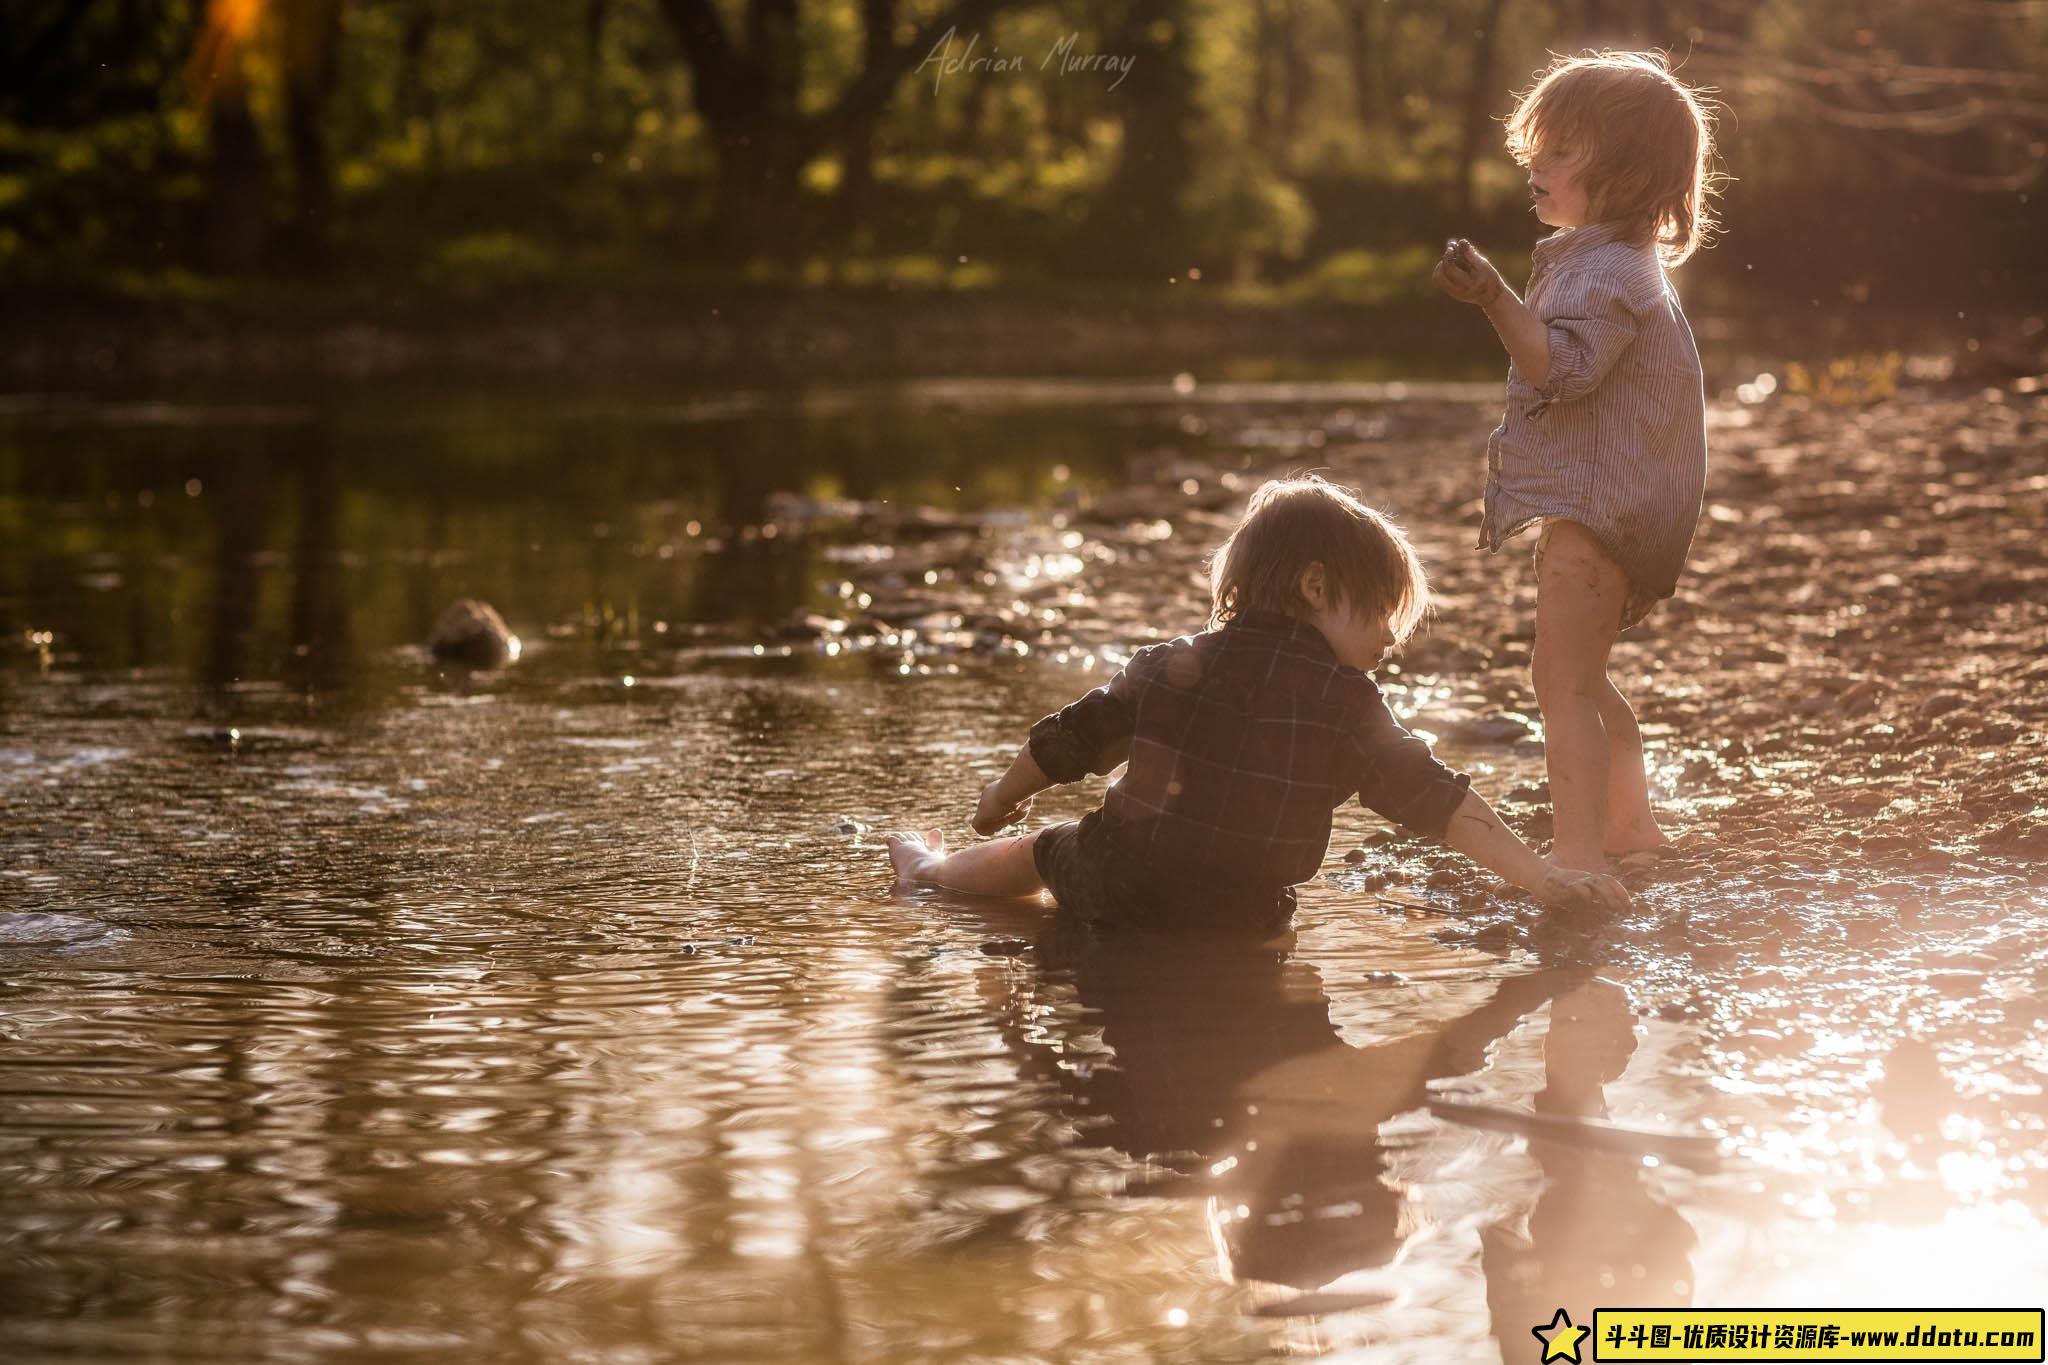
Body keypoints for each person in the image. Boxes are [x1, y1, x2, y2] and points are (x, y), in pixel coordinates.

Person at [885, 476, 1630, 930]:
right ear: (1315, 587)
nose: (1390, 640)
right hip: (1243, 916)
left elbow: (1068, 740)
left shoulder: (1169, 664)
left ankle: (930, 874)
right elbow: (1439, 799)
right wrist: (1542, 878)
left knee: (1040, 849)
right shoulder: (1347, 702)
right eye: (1381, 616)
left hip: (1121, 881)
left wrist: (996, 795)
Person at [1432, 50, 1721, 872]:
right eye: (1540, 149)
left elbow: (1560, 369)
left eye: (1564, 152)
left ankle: (1580, 856)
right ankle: (1629, 826)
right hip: (1617, 506)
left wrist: (1494, 296)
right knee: (1582, 676)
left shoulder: (1608, 275)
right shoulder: (1613, 263)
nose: (1537, 166)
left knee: (1560, 685)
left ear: (1626, 174)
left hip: (1606, 515)